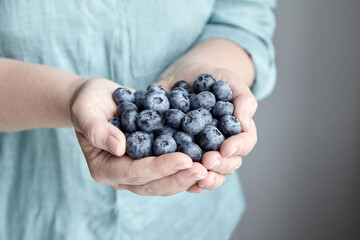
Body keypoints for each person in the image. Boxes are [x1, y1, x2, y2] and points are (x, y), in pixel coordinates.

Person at [0, 0, 276, 239]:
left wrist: (209, 71)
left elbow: (242, 17)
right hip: (36, 215)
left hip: (193, 223)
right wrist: (69, 97)